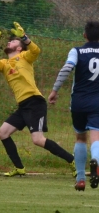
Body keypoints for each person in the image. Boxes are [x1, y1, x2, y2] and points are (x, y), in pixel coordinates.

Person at [0, 22, 76, 178]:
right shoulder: (5, 64)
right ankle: (19, 168)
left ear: (19, 48)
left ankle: (73, 161)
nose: (9, 42)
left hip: (35, 102)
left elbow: (36, 50)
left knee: (38, 140)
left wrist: (24, 37)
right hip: (23, 106)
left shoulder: (24, 57)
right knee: (2, 133)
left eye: (13, 41)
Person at [48, 20, 99, 191]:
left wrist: (55, 90)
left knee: (80, 137)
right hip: (97, 102)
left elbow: (66, 68)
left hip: (78, 102)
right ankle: (97, 162)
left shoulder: (77, 51)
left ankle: (81, 178)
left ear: (84, 35)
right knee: (96, 137)